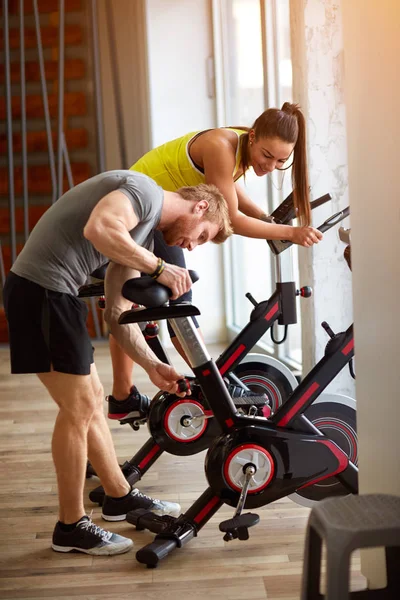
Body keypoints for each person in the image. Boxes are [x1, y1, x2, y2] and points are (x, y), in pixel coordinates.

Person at [3, 170, 232, 556]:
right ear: (200, 206)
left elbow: (116, 315)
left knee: (90, 399)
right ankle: (71, 525)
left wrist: (151, 367)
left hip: (54, 295)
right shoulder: (143, 191)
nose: (192, 246)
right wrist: (160, 268)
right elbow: (99, 227)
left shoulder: (139, 236)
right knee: (78, 409)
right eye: (203, 235)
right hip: (42, 291)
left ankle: (118, 497)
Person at [106, 102, 323, 419]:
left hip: (156, 210)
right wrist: (289, 233)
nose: (270, 166)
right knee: (180, 299)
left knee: (133, 303)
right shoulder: (221, 146)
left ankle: (123, 397)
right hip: (141, 210)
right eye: (267, 155)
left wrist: (265, 217)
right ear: (252, 137)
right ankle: (215, 386)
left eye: (281, 161)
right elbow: (229, 219)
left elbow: (229, 190)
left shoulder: (237, 144)